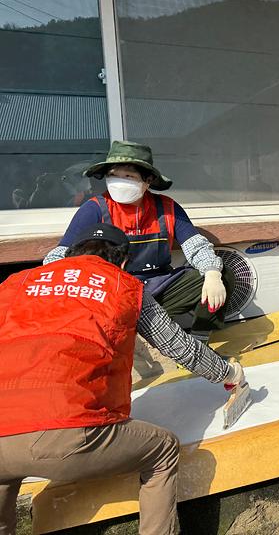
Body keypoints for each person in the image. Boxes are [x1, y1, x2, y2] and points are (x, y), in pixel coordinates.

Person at [0, 223, 245, 535]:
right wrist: (229, 372)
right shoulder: (123, 285)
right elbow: (178, 347)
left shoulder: (15, 283)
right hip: (66, 432)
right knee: (164, 449)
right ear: (124, 262)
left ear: (70, 254)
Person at [44, 141, 233, 342]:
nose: (119, 182)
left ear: (148, 180)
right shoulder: (93, 208)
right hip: (112, 297)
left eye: (129, 177)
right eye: (113, 175)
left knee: (223, 274)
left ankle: (200, 340)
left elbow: (196, 246)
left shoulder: (168, 207)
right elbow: (58, 256)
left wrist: (212, 273)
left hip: (159, 289)